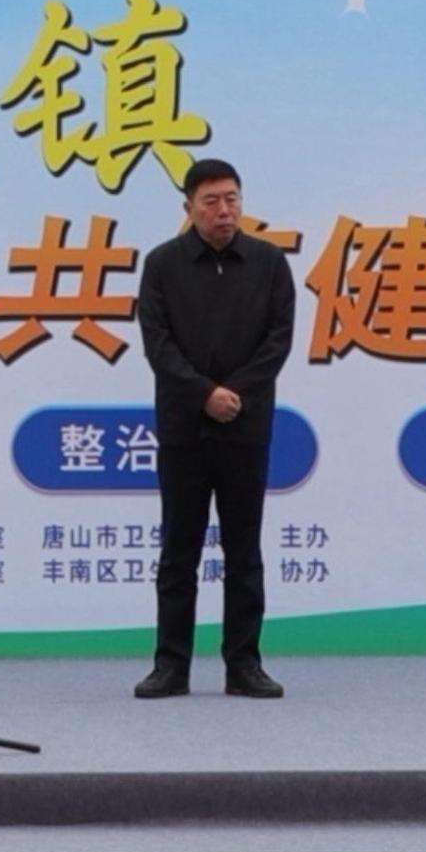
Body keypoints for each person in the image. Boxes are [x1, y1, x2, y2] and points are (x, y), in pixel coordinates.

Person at [130, 155, 295, 700]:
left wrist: (234, 395)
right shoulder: (162, 265)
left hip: (246, 426)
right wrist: (204, 394)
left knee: (244, 551)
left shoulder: (270, 263)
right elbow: (157, 344)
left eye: (232, 199)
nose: (224, 211)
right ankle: (170, 666)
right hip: (184, 428)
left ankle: (244, 665)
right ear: (189, 208)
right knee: (179, 551)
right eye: (211, 202)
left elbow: (278, 340)